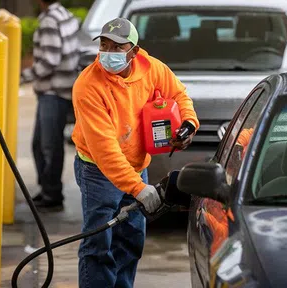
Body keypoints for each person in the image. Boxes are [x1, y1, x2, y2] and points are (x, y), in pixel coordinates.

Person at [71, 18, 199, 288]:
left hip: (136, 164)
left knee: (130, 240)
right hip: (98, 171)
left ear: (134, 52)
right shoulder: (88, 85)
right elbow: (104, 149)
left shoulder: (152, 68)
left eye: (118, 47)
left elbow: (179, 94)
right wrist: (138, 188)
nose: (109, 53)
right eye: (104, 45)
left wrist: (188, 123)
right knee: (98, 245)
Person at [21, 0, 80, 211]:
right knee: (43, 144)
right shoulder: (66, 15)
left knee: (48, 146)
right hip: (63, 89)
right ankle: (48, 190)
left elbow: (49, 61)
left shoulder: (49, 20)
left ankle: (52, 194)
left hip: (53, 92)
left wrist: (21, 76)